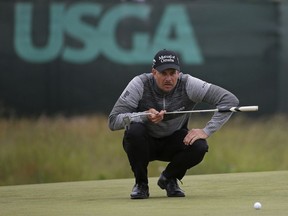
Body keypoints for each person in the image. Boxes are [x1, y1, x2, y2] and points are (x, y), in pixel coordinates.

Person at [108, 49, 239, 199]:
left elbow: (229, 100)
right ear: (154, 72)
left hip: (173, 142)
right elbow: (113, 121)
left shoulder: (188, 84)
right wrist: (143, 116)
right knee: (134, 131)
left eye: (173, 73)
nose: (169, 78)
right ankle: (141, 184)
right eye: (164, 73)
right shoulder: (139, 84)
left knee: (200, 145)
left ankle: (170, 178)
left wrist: (206, 130)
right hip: (144, 143)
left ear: (178, 72)